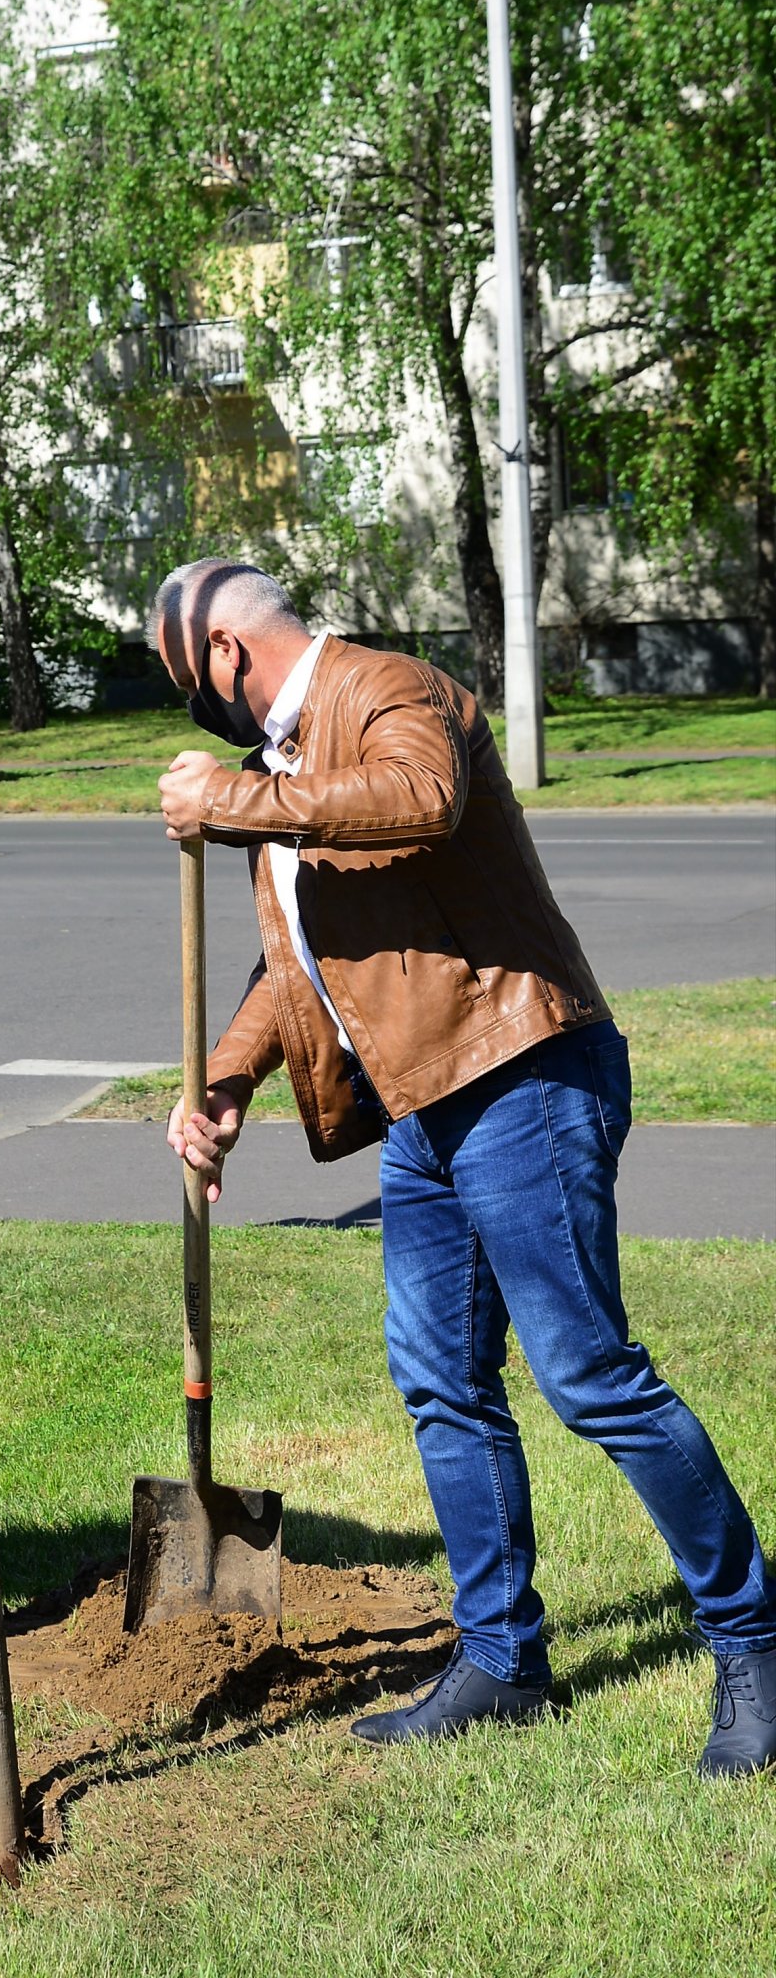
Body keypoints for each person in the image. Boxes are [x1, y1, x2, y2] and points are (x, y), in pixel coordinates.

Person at [152, 557, 775, 1778]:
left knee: (592, 1376)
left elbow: (417, 799)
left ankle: (755, 1638)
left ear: (225, 657)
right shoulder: (278, 774)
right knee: (441, 1379)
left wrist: (232, 797)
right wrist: (226, 1080)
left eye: (182, 677)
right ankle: (502, 1657)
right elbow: (304, 970)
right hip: (424, 1108)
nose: (191, 704)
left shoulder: (392, 691)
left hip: (526, 1072)